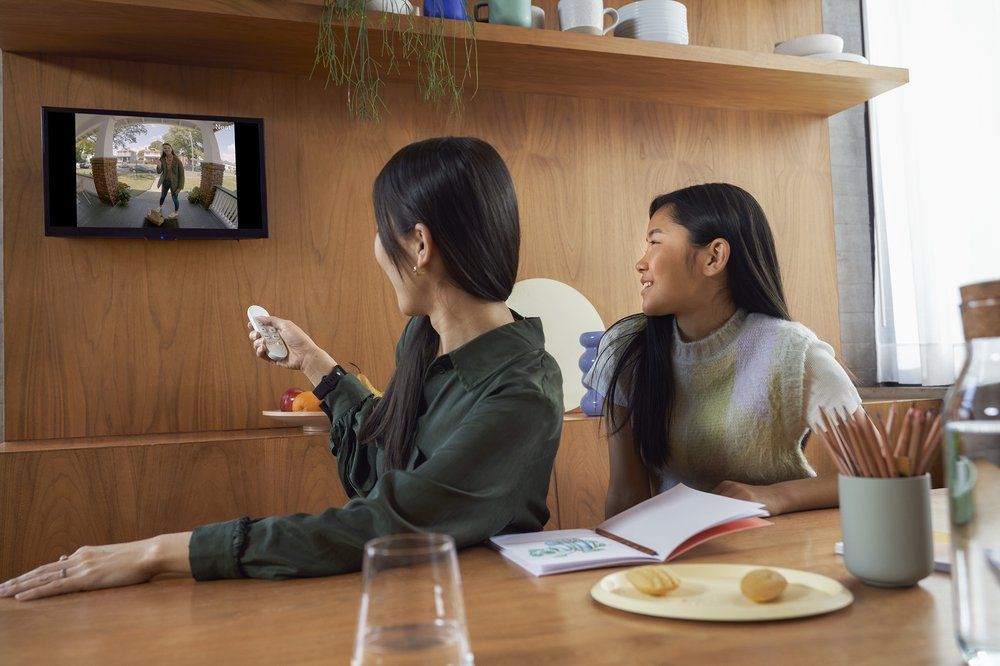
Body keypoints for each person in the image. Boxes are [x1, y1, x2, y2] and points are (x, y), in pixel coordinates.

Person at [1, 137, 563, 601]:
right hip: (410, 602)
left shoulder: (522, 395)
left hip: (478, 625)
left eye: (379, 227)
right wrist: (315, 363)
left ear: (419, 244)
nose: (374, 246)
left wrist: (161, 552)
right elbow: (385, 467)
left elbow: (385, 523)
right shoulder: (424, 340)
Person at [587, 183, 860, 518]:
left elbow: (876, 471)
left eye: (655, 242)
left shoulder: (793, 352)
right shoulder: (625, 349)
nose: (641, 263)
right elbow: (626, 492)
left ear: (714, 256)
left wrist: (774, 497)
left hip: (782, 546)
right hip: (680, 554)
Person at [155, 142, 184, 219]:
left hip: (174, 183)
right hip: (165, 182)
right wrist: (158, 166)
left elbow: (182, 175)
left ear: (171, 149)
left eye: (168, 148)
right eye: (165, 148)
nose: (167, 149)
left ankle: (176, 212)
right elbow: (159, 172)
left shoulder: (177, 160)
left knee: (175, 198)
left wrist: (180, 187)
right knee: (162, 196)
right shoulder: (162, 159)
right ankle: (160, 207)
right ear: (163, 150)